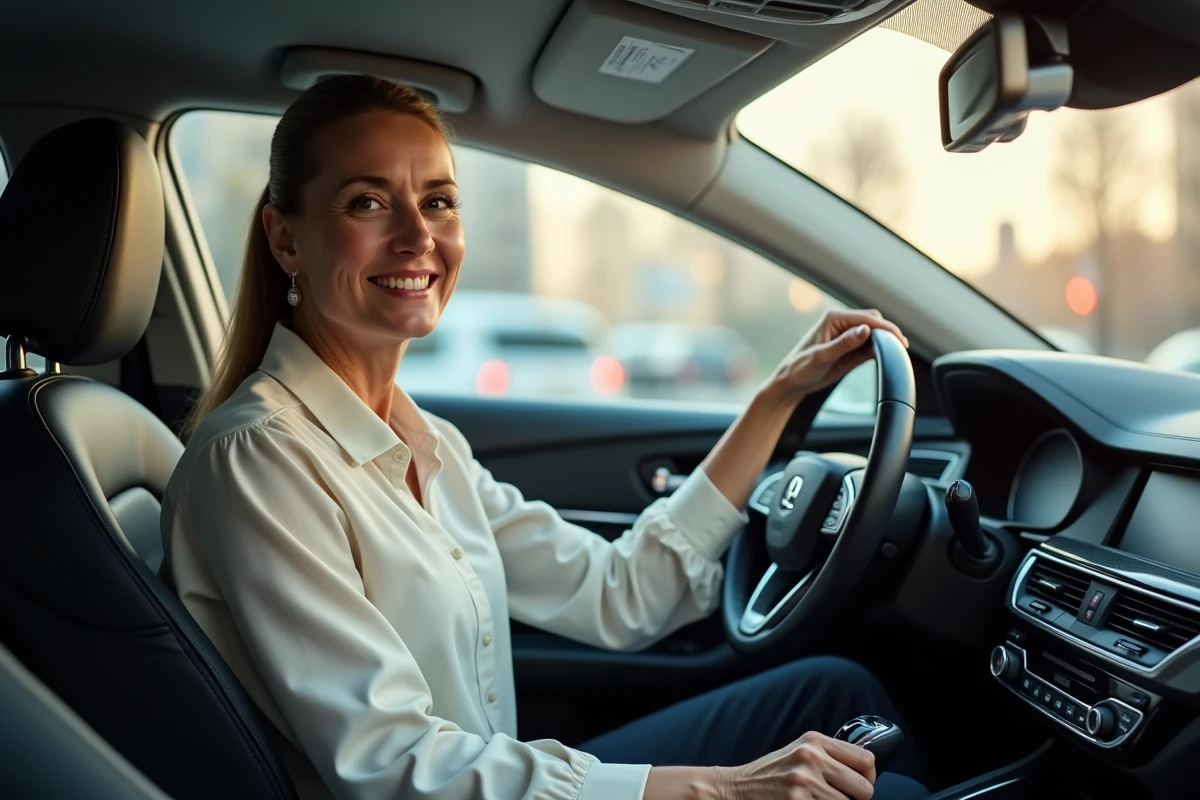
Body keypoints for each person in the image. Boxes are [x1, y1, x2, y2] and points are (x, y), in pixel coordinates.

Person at [161, 75, 929, 800]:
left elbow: (623, 592)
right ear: (285, 239)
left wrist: (778, 395)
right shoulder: (260, 458)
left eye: (438, 202)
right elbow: (394, 764)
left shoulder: (428, 444)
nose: (416, 236)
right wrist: (722, 790)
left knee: (834, 692)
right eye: (368, 202)